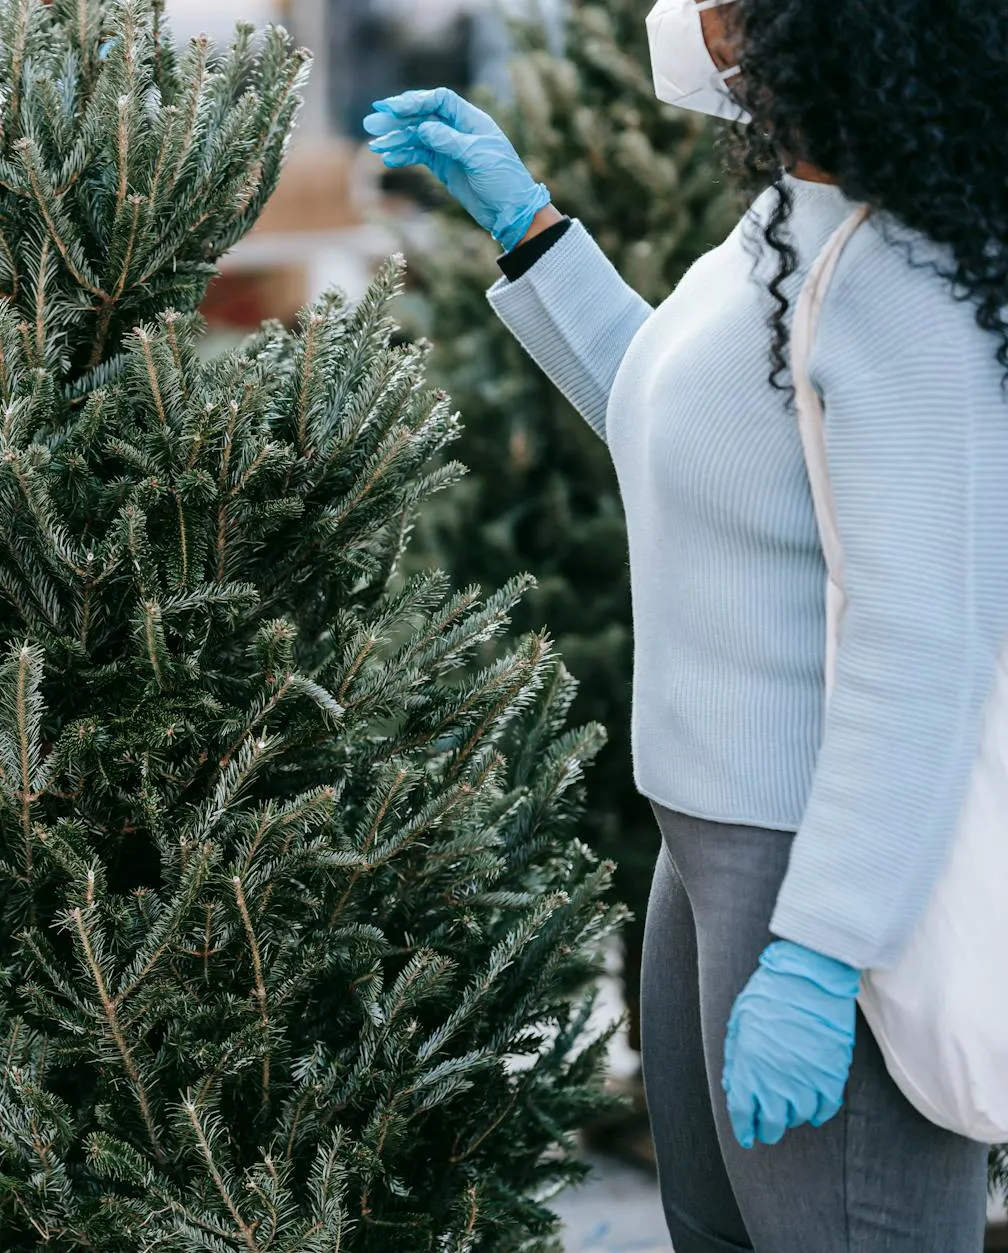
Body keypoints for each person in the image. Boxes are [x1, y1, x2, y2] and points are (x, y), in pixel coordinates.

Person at [364, 0, 1005, 1248]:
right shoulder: (790, 219)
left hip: (818, 880)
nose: (691, 17)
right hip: (705, 850)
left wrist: (821, 958)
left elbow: (920, 646)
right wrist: (528, 229)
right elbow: (681, 435)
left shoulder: (911, 285)